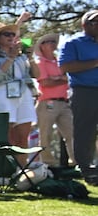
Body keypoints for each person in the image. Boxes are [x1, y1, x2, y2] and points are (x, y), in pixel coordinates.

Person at [0, 19, 37, 159]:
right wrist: (10, 57)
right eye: (7, 34)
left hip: (23, 94)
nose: (12, 37)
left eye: (13, 35)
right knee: (6, 136)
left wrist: (30, 57)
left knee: (23, 136)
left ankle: (22, 170)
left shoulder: (21, 56)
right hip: (2, 94)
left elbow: (37, 74)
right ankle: (4, 169)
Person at [59, 9, 98, 181]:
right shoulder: (73, 43)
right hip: (84, 91)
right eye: (95, 22)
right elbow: (66, 67)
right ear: (85, 25)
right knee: (85, 131)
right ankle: (86, 169)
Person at [33, 32, 74, 168]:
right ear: (42, 46)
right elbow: (45, 83)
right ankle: (48, 164)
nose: (52, 44)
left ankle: (76, 162)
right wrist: (61, 79)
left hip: (64, 102)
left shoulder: (60, 60)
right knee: (46, 135)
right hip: (47, 102)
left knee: (71, 133)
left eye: (53, 41)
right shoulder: (40, 62)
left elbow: (63, 79)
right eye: (48, 42)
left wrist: (56, 79)